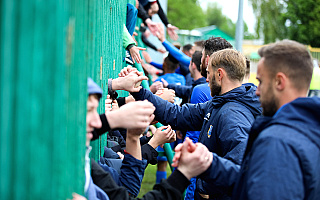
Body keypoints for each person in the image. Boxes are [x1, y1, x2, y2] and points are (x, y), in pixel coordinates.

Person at [174, 39, 320, 200]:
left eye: (261, 82)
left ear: (279, 82)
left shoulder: (278, 141)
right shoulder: (310, 128)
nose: (257, 92)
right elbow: (252, 181)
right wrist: (209, 164)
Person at [117, 48, 262, 199]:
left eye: (209, 73)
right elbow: (175, 114)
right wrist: (139, 91)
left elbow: (240, 168)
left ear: (220, 74)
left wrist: (207, 187)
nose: (206, 79)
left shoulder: (232, 115)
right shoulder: (218, 104)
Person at [85, 77, 213, 200]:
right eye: (90, 111)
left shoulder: (85, 162)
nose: (97, 123)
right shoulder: (83, 163)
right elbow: (128, 189)